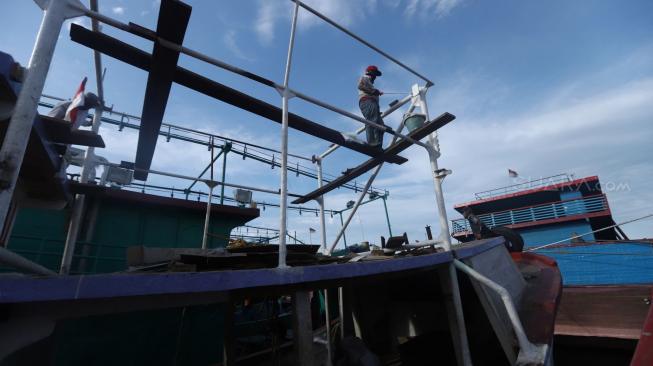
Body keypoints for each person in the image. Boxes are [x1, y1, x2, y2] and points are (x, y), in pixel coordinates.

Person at [357, 65, 384, 148]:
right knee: (372, 121)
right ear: (371, 73)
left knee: (381, 126)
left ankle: (378, 145)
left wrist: (375, 92)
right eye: (375, 74)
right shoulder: (365, 77)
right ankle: (372, 143)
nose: (375, 77)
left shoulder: (369, 82)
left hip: (372, 104)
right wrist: (374, 91)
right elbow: (360, 86)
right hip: (367, 101)